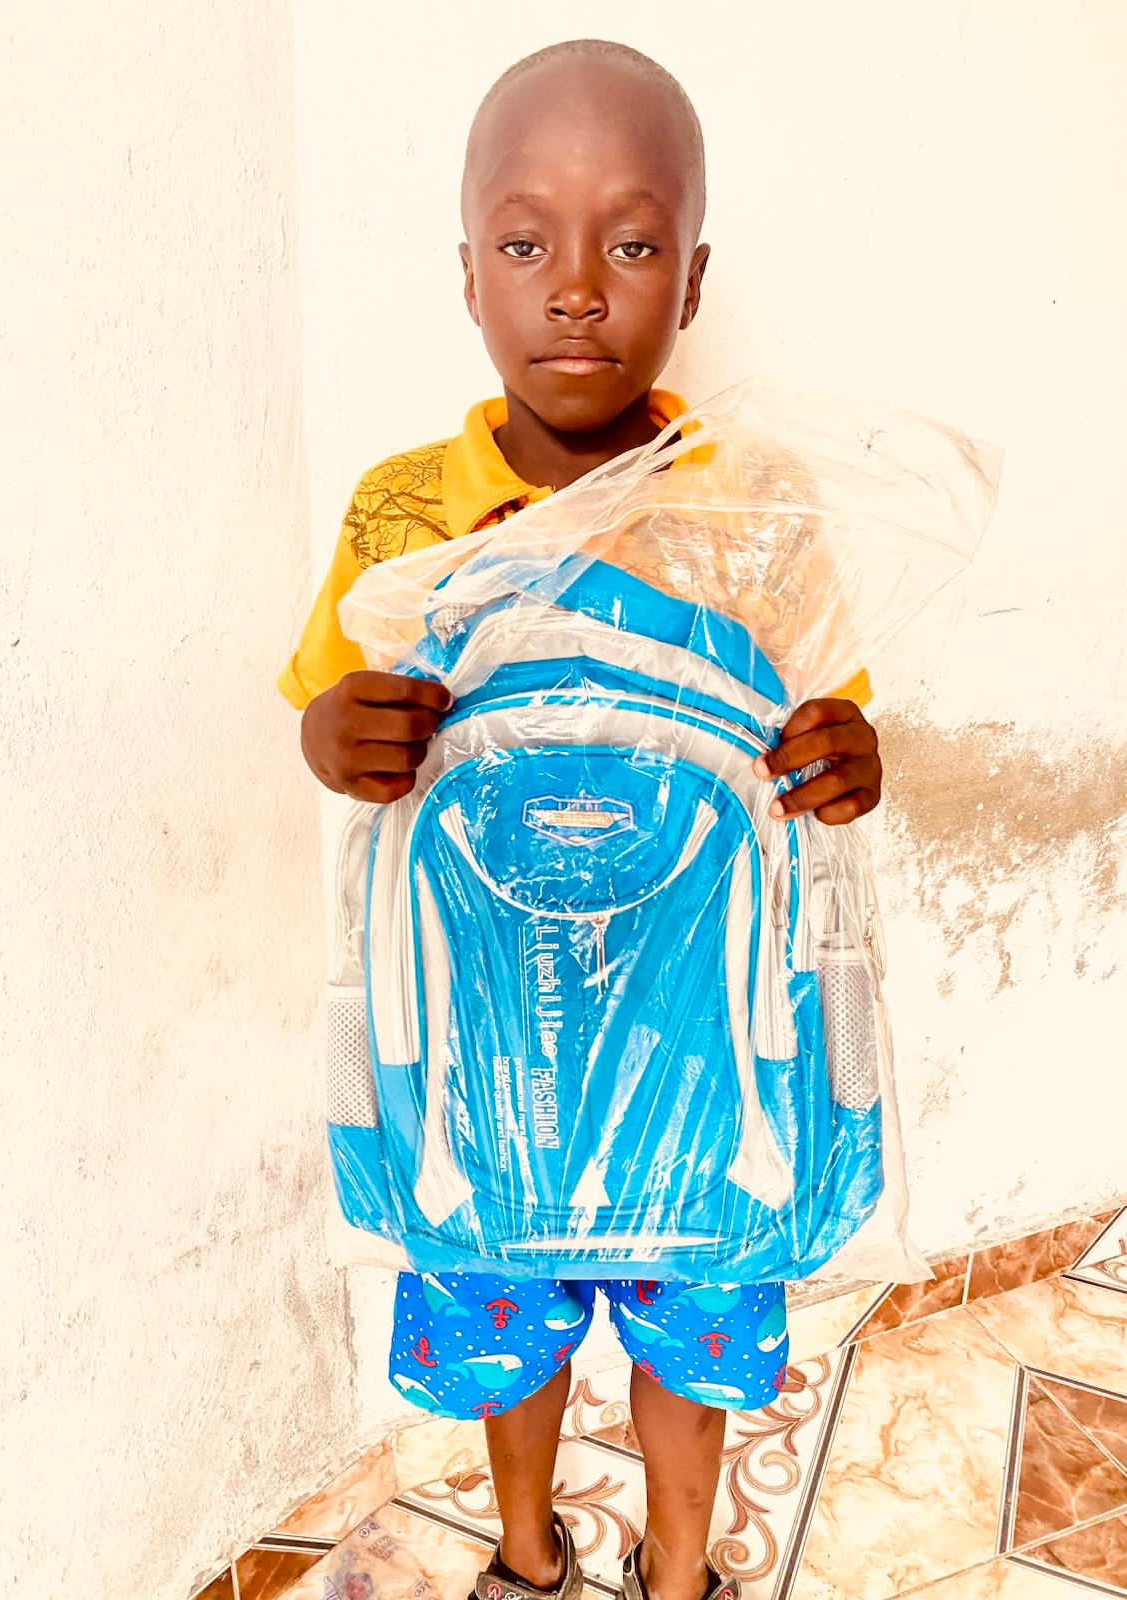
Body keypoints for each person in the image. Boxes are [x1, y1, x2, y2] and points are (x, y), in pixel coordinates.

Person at [280, 39, 883, 1600]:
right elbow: (331, 710)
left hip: (704, 1042)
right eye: (526, 242)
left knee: (693, 1320)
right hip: (492, 1046)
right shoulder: (403, 510)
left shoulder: (747, 509)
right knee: (510, 1321)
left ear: (690, 278)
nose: (574, 289)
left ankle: (678, 1573)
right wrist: (328, 730)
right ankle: (532, 1552)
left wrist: (849, 751)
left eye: (626, 244)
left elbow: (830, 721)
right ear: (466, 272)